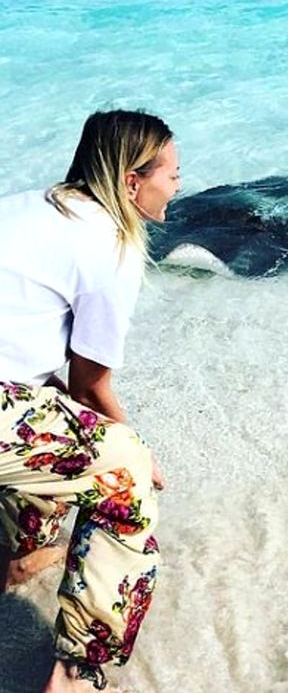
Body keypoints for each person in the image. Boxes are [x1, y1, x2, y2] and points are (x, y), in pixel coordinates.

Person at [0, 109, 180, 691]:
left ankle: (18, 555)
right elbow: (89, 387)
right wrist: (138, 450)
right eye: (172, 174)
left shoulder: (28, 205)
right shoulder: (109, 244)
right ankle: (78, 668)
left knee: (61, 427)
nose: (178, 186)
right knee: (123, 474)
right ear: (131, 181)